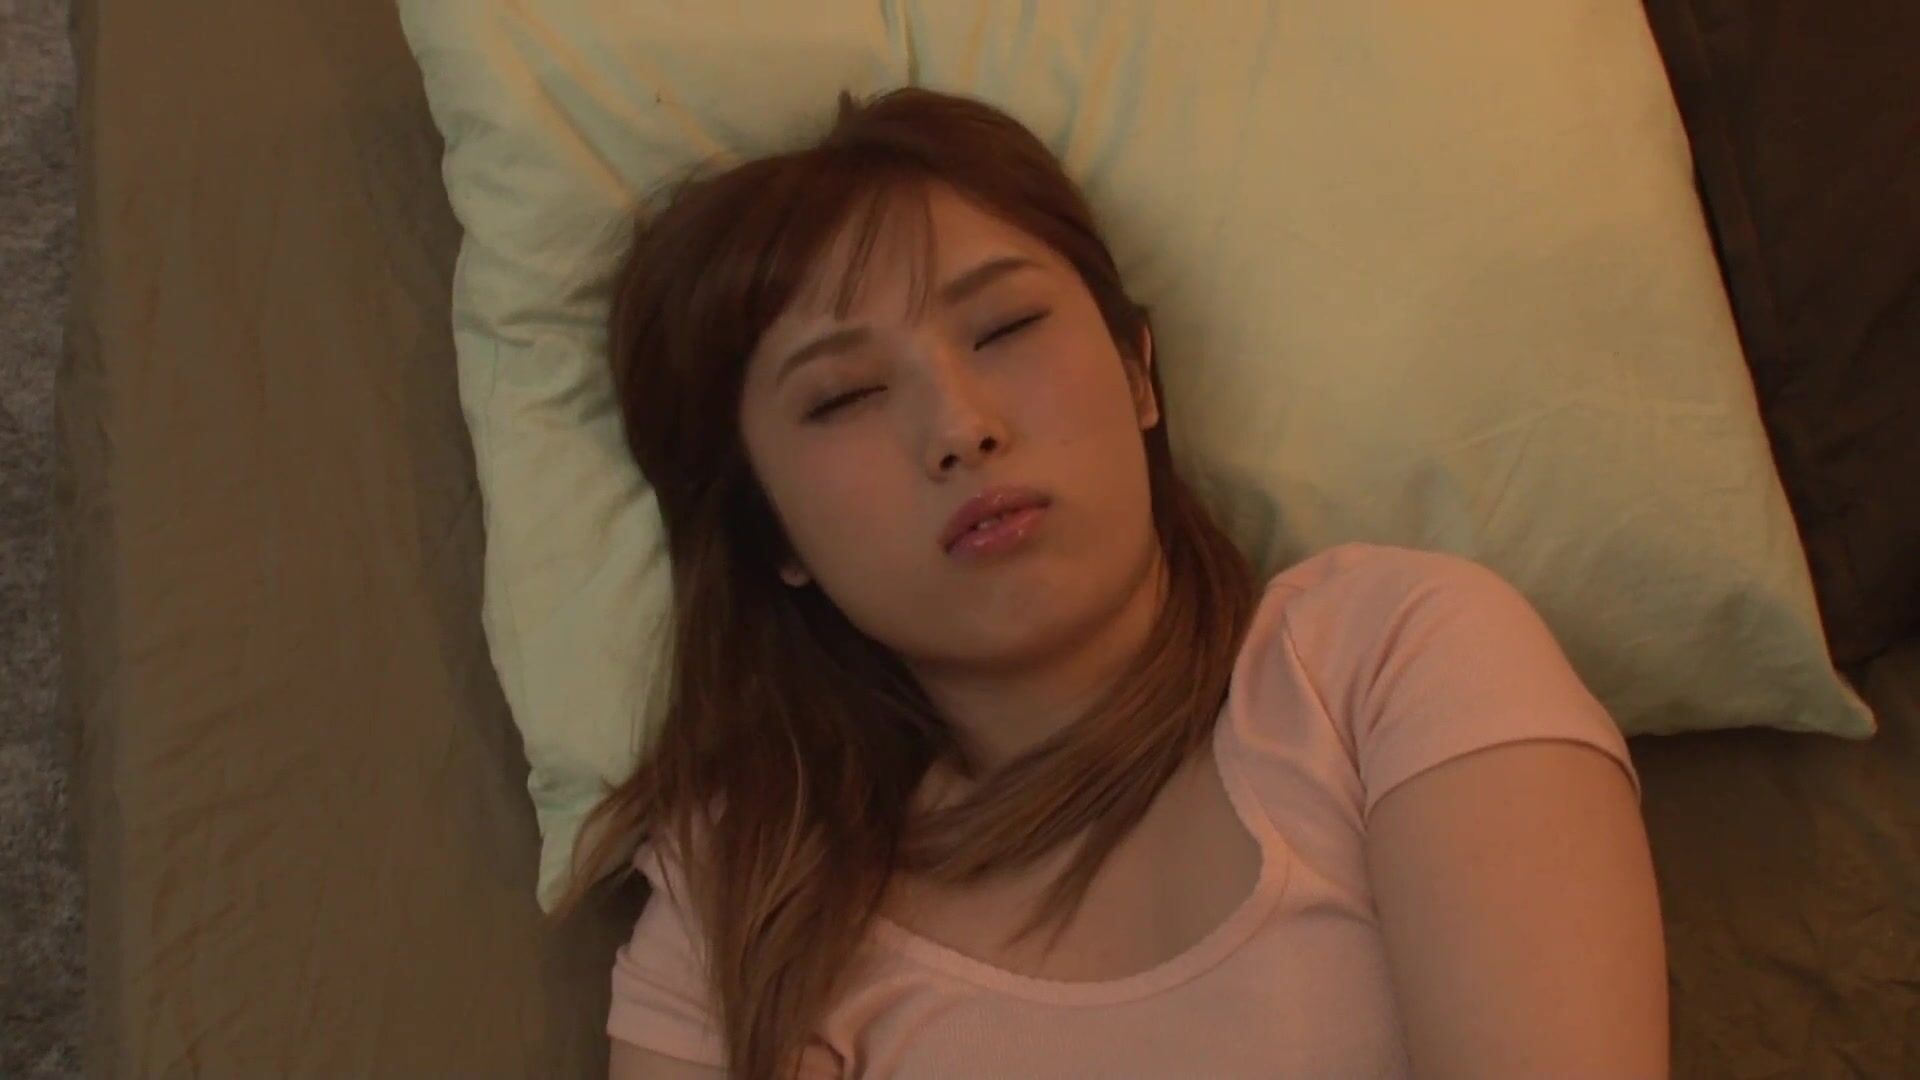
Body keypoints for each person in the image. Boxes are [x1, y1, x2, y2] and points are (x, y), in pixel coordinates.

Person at [555, 87, 1668, 1080]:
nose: (960, 427)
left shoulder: (1389, 660)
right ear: (768, 532)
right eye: (843, 396)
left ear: (1140, 373)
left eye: (1005, 327)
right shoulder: (741, 901)